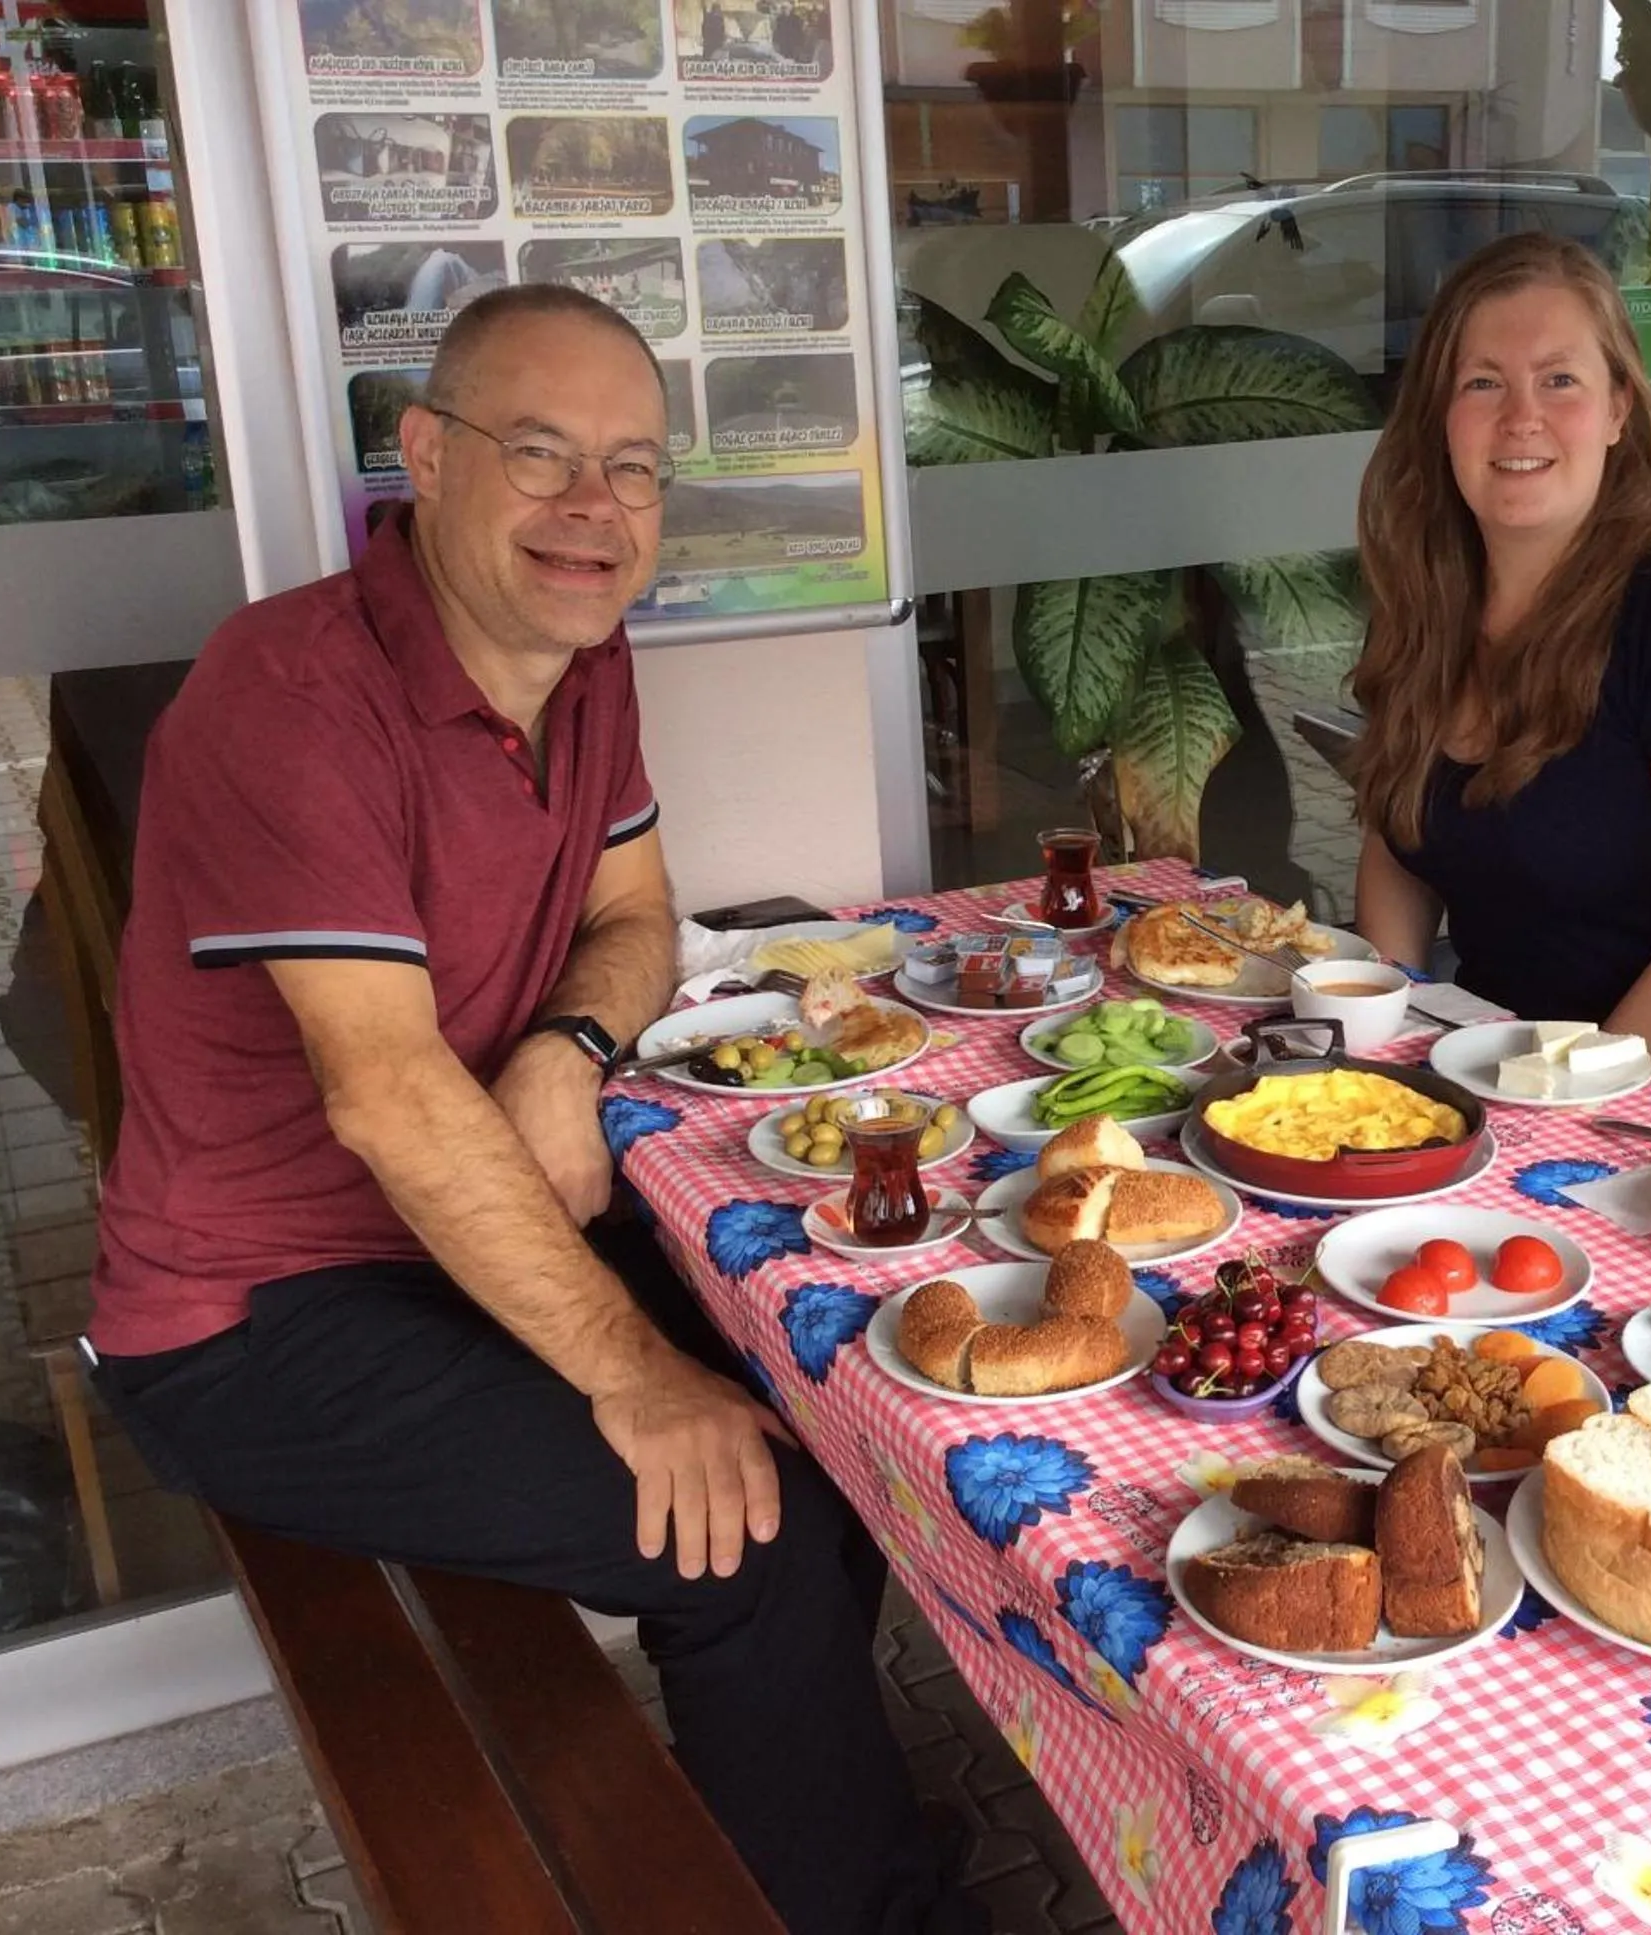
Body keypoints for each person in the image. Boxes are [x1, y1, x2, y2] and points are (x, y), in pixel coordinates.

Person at [83, 285, 984, 1935]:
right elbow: (385, 1099)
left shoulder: (578, 659)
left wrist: (566, 1049)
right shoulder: (290, 694)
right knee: (748, 1529)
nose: (593, 508)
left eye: (632, 469)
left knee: (830, 1375)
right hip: (250, 1318)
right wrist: (636, 1377)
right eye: (543, 453)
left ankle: (796, 1822)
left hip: (459, 1229)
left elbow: (640, 916)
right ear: (425, 457)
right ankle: (839, 1898)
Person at [1351, 232, 1651, 1106]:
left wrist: (1552, 1107)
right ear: (1440, 417)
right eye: (1483, 382)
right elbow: (1399, 845)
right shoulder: (1432, 596)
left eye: (1560, 380)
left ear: (1618, 413)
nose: (1522, 417)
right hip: (1476, 1079)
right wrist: (1380, 1035)